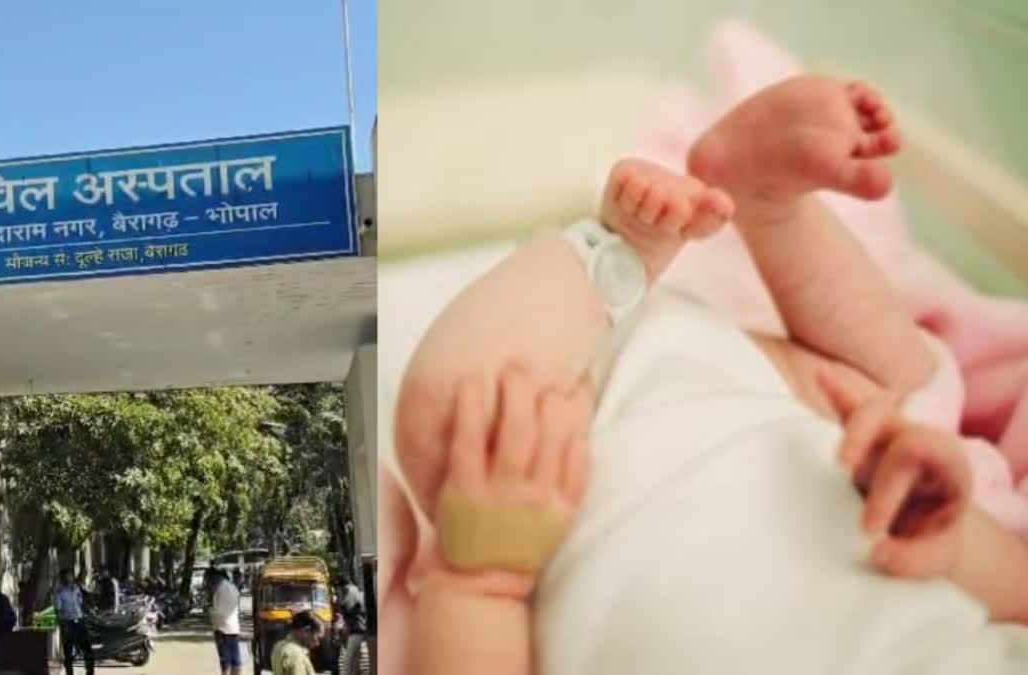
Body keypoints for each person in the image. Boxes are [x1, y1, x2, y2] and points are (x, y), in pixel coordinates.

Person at [391, 74, 1028, 675]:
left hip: (543, 491)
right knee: (897, 382)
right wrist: (947, 530)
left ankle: (611, 262)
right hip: (836, 456)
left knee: (452, 414)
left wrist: (480, 581)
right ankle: (764, 205)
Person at [54, 568, 94, 675]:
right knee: (69, 652)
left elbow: (80, 602)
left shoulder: (76, 588)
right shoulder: (60, 592)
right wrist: (62, 624)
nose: (69, 578)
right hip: (68, 622)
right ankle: (69, 672)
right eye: (67, 576)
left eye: (70, 576)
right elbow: (57, 609)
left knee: (87, 648)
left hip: (79, 620)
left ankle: (90, 671)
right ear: (63, 579)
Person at [209, 568, 242, 675]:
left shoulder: (219, 589)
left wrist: (211, 612)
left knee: (225, 662)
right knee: (235, 661)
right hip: (234, 628)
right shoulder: (233, 588)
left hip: (222, 630)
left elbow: (220, 613)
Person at [269, 611, 322, 675]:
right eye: (318, 638)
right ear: (306, 631)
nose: (317, 643)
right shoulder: (296, 654)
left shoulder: (278, 645)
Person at [336, 579, 366, 673]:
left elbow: (347, 606)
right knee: (356, 656)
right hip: (360, 628)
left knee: (349, 657)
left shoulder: (350, 591)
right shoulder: (357, 591)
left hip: (357, 629)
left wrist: (341, 608)